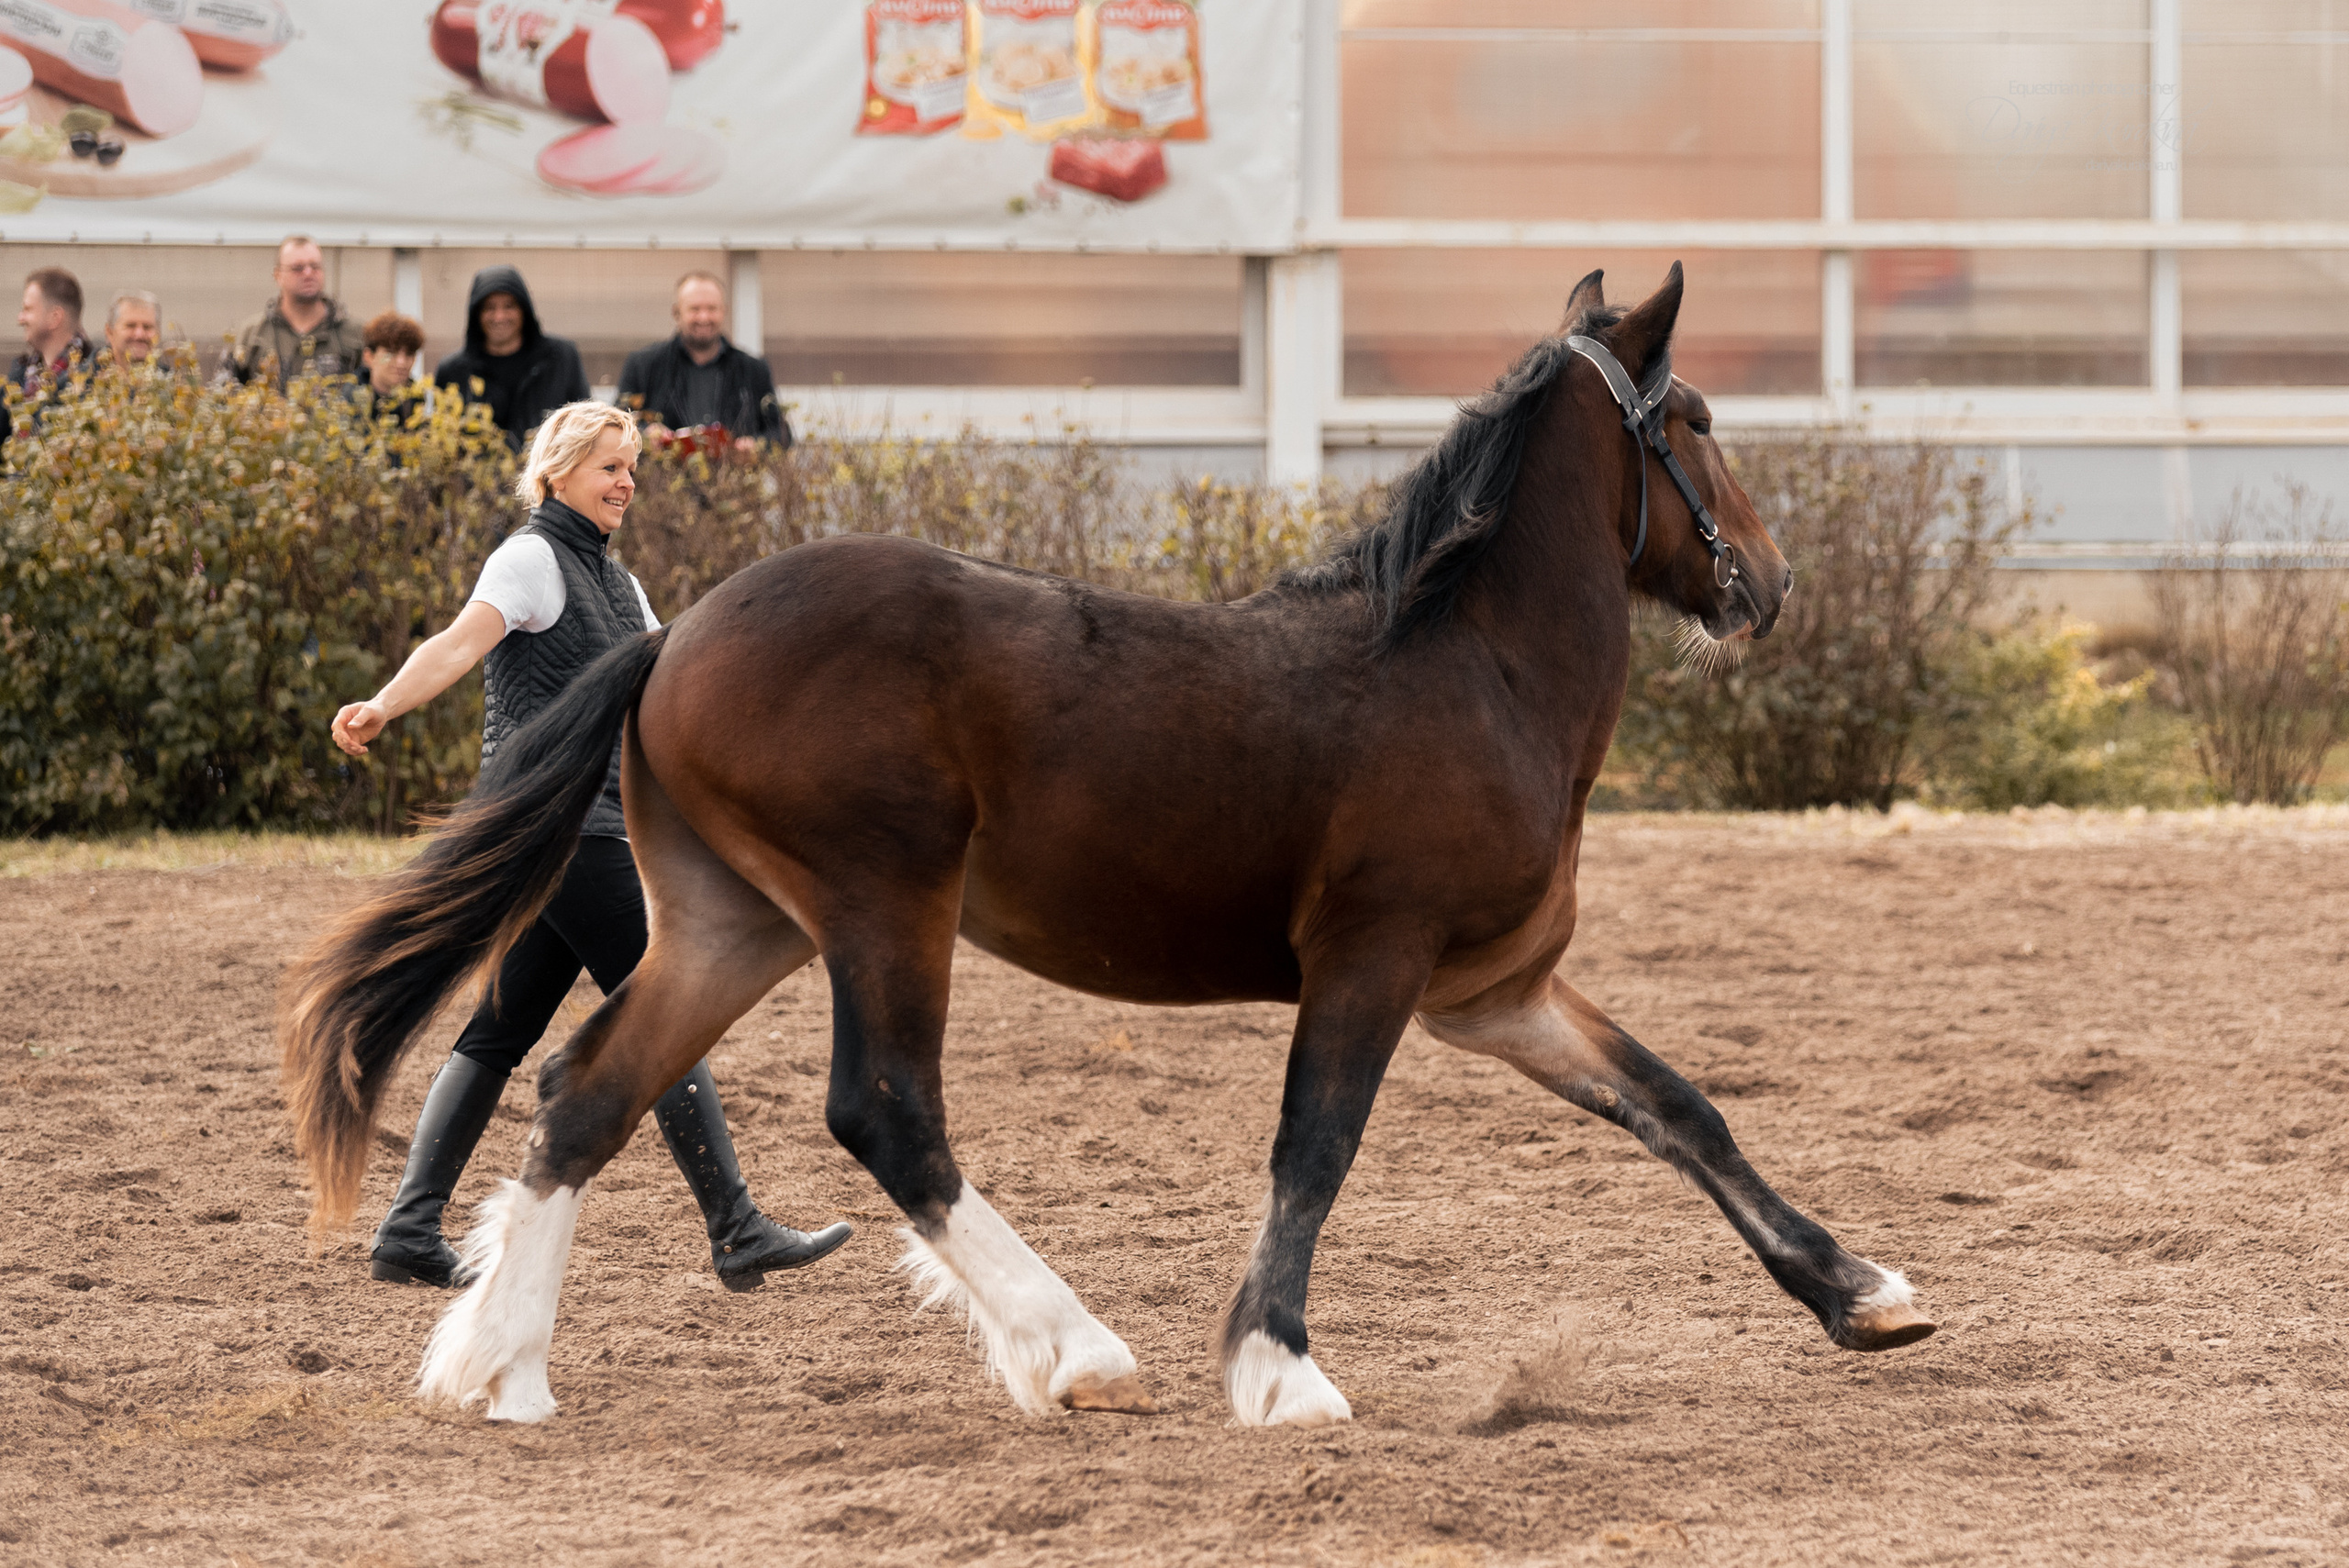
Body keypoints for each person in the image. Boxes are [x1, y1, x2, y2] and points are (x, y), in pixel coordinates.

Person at [328, 402, 851, 1291]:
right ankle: (734, 1225)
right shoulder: (528, 559)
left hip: (586, 829)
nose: (627, 481)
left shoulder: (624, 586)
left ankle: (409, 1228)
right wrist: (383, 704)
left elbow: (672, 704)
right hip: (560, 827)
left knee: (500, 1027)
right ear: (558, 470)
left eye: (634, 466)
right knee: (667, 1002)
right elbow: (458, 643)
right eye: (611, 465)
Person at [616, 272, 791, 449]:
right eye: (695, 309)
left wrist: (754, 446)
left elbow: (781, 434)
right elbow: (617, 426)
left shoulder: (753, 369)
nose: (704, 317)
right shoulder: (643, 365)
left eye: (712, 309)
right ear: (677, 313)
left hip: (734, 476)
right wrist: (645, 434)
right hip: (661, 476)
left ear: (724, 311)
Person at [433, 264, 588, 450]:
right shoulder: (454, 372)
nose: (499, 317)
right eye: (489, 308)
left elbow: (586, 424)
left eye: (509, 306)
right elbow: (443, 442)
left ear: (524, 310)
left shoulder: (560, 358)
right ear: (476, 314)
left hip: (549, 475)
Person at [231, 235, 367, 387]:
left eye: (315, 267)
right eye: (298, 268)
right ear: (278, 276)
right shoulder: (253, 335)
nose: (308, 274)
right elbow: (225, 393)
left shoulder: (355, 334)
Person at [4, 267, 95, 444]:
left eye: (28, 309)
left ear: (55, 317)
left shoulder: (93, 378)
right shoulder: (20, 378)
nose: (20, 319)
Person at [357, 309, 427, 423]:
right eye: (391, 353)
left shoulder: (417, 401)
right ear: (369, 357)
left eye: (409, 354)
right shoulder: (346, 403)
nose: (401, 362)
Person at [104, 290, 161, 366]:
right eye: (130, 326)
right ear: (110, 332)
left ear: (158, 333)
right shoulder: (86, 376)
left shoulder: (175, 376)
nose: (140, 335)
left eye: (147, 327)